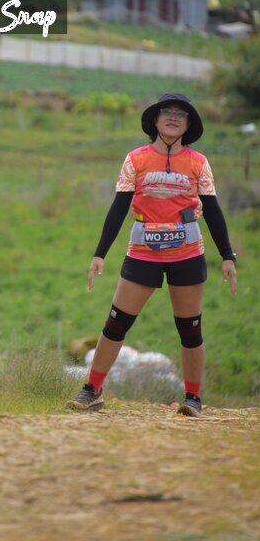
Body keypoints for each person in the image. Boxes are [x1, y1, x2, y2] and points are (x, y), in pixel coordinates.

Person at [67, 93, 237, 417]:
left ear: (188, 124)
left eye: (180, 114)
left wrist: (227, 255)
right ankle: (92, 390)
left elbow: (213, 210)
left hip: (187, 254)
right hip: (143, 253)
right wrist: (99, 253)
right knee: (116, 324)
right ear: (155, 121)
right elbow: (118, 207)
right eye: (166, 112)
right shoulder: (136, 159)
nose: (173, 118)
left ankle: (193, 398)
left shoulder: (198, 162)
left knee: (190, 329)